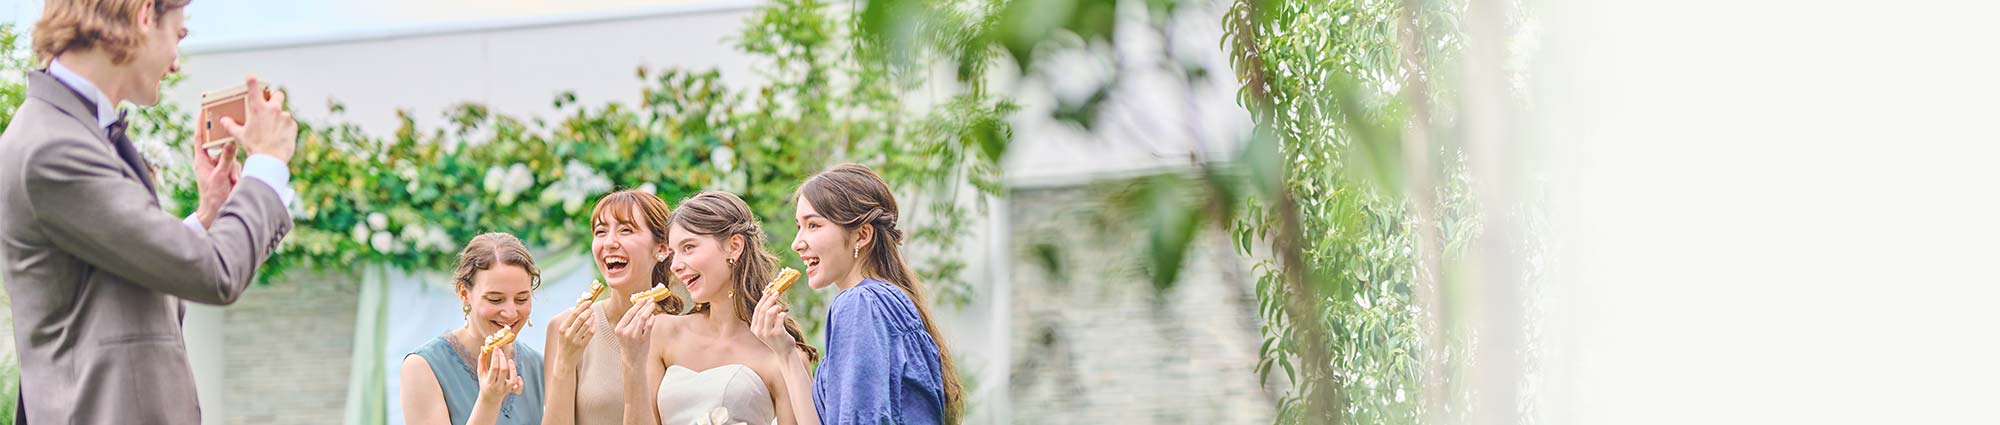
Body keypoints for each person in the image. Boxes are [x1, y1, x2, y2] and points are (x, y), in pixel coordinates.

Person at [0, 0, 299, 423]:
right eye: (178, 35)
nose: (176, 65)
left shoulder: (70, 132)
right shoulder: (53, 147)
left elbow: (125, 293)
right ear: (144, 16)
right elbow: (215, 274)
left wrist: (209, 214)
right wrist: (267, 163)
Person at [759, 163, 962, 424]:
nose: (797, 243)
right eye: (799, 226)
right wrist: (785, 354)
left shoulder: (860, 304)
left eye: (813, 225)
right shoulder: (885, 302)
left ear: (861, 235)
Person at [611, 191, 819, 425]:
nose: (676, 266)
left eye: (688, 247)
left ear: (734, 245)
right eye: (673, 253)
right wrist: (632, 362)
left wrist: (787, 353)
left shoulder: (782, 353)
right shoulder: (662, 332)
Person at [543, 189, 686, 425]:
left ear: (662, 248)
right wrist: (565, 364)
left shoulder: (684, 332)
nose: (609, 242)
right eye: (600, 232)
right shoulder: (566, 329)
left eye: (626, 230)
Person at [400, 233, 548, 425]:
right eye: (495, 299)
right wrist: (489, 400)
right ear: (464, 294)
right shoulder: (422, 367)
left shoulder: (537, 365)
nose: (511, 313)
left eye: (522, 299)